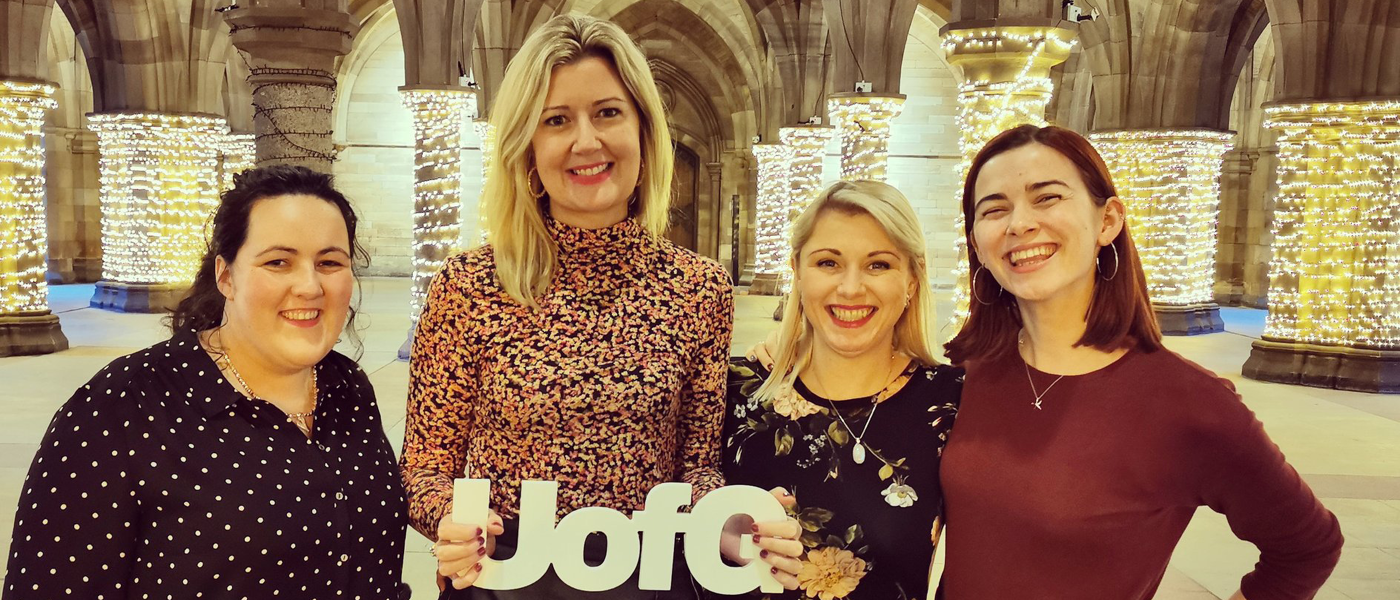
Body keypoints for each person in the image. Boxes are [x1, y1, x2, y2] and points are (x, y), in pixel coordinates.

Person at [400, 14, 797, 599]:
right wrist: (448, 521)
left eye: (608, 113)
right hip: (507, 578)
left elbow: (696, 466)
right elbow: (424, 468)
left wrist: (738, 518)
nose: (587, 141)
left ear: (643, 129)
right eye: (556, 120)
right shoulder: (469, 284)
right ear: (528, 148)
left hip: (644, 577)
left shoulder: (698, 288)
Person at [936, 124, 1342, 599]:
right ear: (977, 243)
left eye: (1046, 198)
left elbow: (1308, 548)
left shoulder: (1190, 404)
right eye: (994, 209)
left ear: (1107, 220)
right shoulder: (963, 375)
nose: (1018, 223)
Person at [2, 165, 409, 600]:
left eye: (329, 262)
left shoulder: (347, 386)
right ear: (226, 276)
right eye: (278, 262)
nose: (310, 286)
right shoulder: (121, 408)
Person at [721, 180, 962, 600]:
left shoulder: (950, 403)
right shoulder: (738, 393)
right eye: (828, 263)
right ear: (797, 269)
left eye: (878, 265)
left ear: (911, 278)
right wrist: (724, 536)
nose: (850, 288)